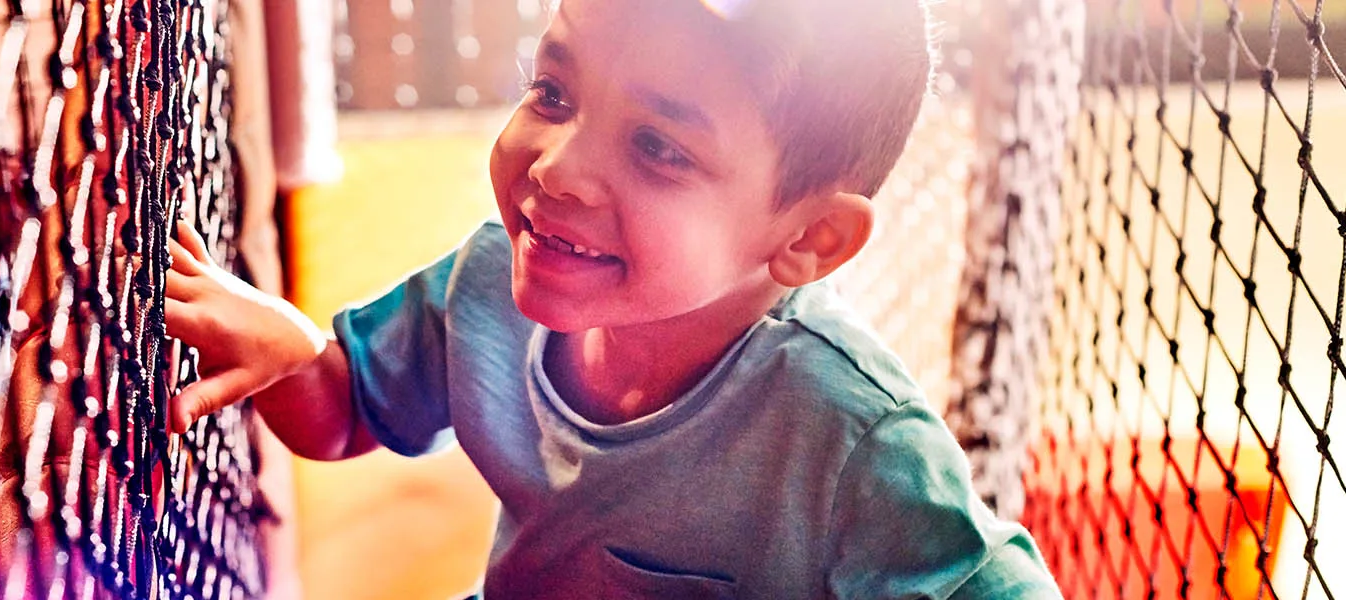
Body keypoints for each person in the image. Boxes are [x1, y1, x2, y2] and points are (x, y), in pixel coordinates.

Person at [161, 0, 1061, 597]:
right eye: (552, 93)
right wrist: (290, 358)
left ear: (806, 240)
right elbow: (346, 411)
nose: (554, 169)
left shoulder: (852, 441)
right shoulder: (486, 290)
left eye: (658, 147)